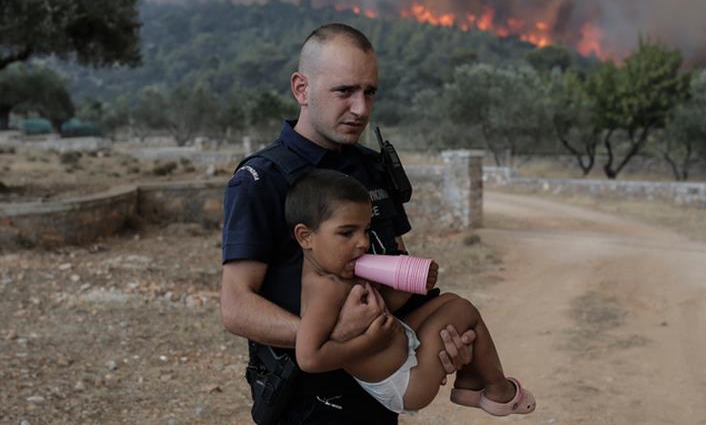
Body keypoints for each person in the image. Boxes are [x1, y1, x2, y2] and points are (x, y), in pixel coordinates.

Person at [220, 23, 477, 424]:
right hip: (307, 406)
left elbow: (393, 274)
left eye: (369, 92)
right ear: (301, 89)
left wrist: (438, 343)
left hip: (377, 398)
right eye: (345, 91)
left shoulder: (372, 168)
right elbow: (236, 306)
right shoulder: (262, 179)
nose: (361, 108)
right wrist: (327, 333)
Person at [288, 169, 536, 416]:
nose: (363, 242)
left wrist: (412, 284)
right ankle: (497, 389)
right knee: (463, 310)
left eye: (365, 230)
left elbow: (382, 308)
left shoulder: (337, 271)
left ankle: (469, 381)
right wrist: (368, 342)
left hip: (401, 346)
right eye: (347, 233)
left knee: (450, 301)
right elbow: (309, 358)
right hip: (406, 382)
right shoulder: (324, 289)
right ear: (305, 236)